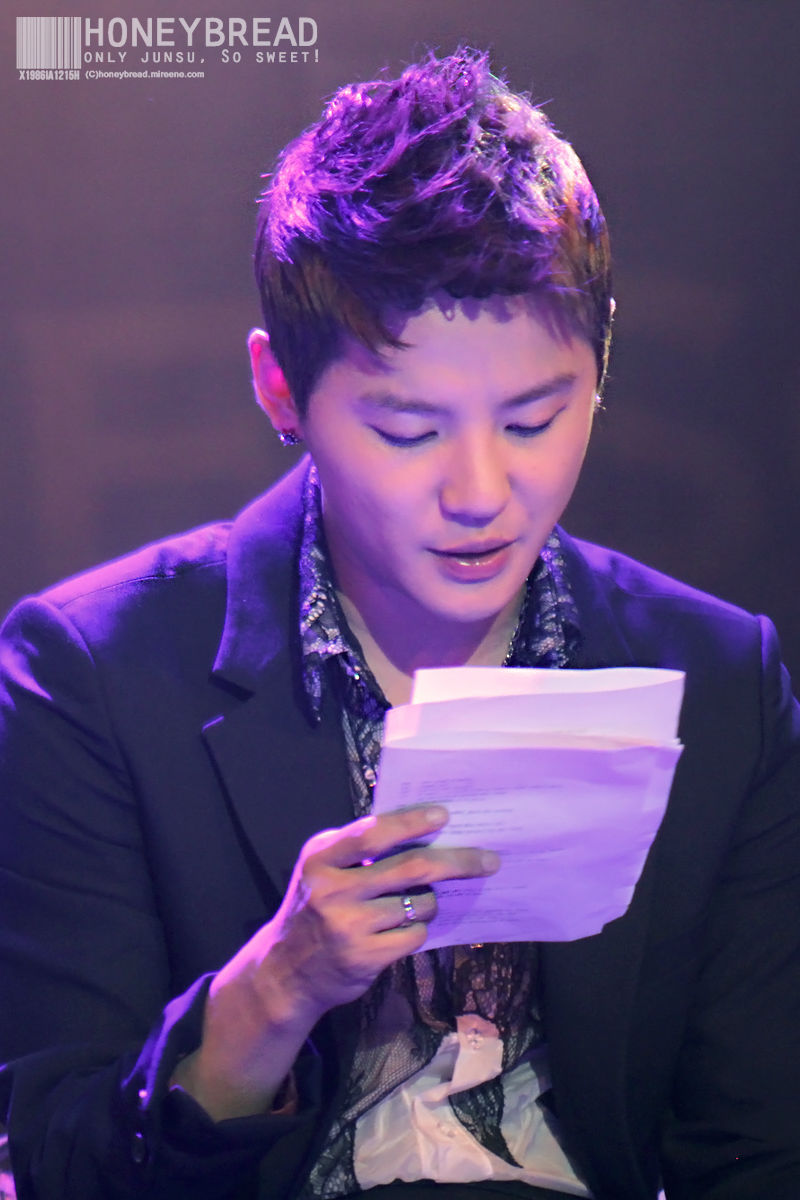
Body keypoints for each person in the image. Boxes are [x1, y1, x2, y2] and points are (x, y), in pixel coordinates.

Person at [1, 47, 799, 1200]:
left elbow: (756, 1147)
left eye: (532, 420)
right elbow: (58, 1162)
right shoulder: (95, 673)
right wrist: (277, 987)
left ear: (599, 365)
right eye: (408, 432)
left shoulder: (718, 678)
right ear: (279, 390)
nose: (479, 492)